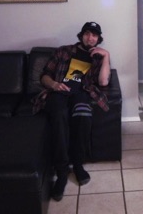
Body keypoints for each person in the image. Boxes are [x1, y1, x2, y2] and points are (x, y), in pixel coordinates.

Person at [33, 22, 110, 201]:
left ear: (98, 39)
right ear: (81, 35)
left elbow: (103, 82)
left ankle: (77, 164)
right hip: (59, 93)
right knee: (59, 117)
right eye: (87, 34)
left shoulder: (98, 57)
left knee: (83, 116)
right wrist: (54, 84)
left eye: (94, 35)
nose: (90, 38)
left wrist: (106, 56)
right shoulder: (63, 51)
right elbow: (44, 75)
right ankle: (62, 171)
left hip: (81, 94)